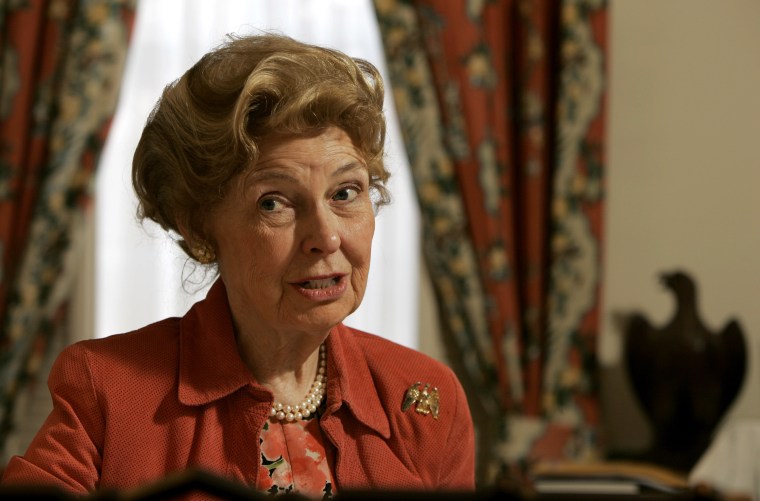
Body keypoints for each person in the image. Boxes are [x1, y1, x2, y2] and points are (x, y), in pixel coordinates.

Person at [1, 33, 475, 497]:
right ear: (201, 228)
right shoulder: (107, 391)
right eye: (274, 203)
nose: (327, 237)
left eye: (345, 193)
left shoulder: (425, 399)